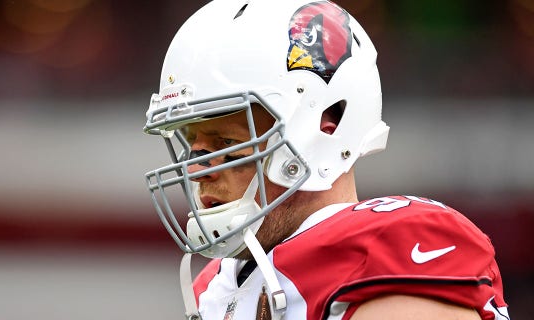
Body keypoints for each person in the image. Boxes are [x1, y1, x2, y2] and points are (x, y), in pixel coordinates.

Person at [142, 0, 510, 319]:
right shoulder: (218, 285)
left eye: (227, 140)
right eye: (194, 145)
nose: (195, 169)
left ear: (324, 130)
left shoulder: (384, 256)